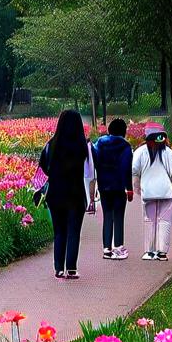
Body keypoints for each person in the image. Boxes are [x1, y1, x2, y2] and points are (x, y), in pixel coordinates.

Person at [39, 110, 97, 279]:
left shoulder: (52, 144)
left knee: (59, 232)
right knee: (73, 231)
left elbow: (42, 169)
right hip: (76, 194)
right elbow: (90, 174)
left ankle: (58, 268)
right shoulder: (84, 147)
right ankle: (71, 268)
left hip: (55, 195)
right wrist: (92, 196)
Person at [132, 123, 172, 261]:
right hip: (166, 193)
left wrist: (137, 189)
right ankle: (162, 252)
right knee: (165, 221)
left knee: (149, 221)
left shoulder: (140, 152)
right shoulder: (169, 153)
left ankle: (149, 251)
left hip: (147, 193)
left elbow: (134, 171)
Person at [93, 119, 134, 259]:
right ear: (124, 131)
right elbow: (126, 168)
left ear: (109, 130)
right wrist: (129, 188)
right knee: (118, 216)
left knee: (107, 216)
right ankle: (118, 247)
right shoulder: (126, 147)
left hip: (104, 185)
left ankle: (106, 248)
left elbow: (95, 162)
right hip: (119, 186)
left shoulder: (99, 144)